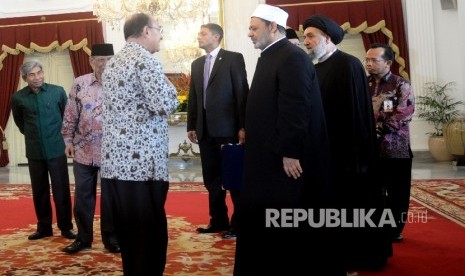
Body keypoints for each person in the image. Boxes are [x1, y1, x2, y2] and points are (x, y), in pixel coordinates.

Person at [234, 4, 339, 275]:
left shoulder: (291, 57)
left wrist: (290, 151)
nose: (249, 34)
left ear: (272, 27)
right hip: (266, 156)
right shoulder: (272, 55)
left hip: (282, 160)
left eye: (254, 28)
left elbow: (296, 108)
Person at [303, 15, 392, 270]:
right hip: (322, 151)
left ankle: (357, 255)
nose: (306, 41)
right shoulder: (314, 66)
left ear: (328, 38)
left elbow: (355, 116)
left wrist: (353, 156)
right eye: (305, 36)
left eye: (311, 36)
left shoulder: (349, 65)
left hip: (347, 153)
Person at [100, 13, 178, 275]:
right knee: (150, 233)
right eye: (159, 29)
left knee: (130, 232)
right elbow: (166, 104)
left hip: (117, 163)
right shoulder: (145, 60)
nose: (161, 35)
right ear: (146, 31)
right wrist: (171, 88)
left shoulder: (114, 62)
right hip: (143, 164)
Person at [187, 23, 249, 239]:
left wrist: (243, 126)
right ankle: (218, 220)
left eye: (203, 33)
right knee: (212, 180)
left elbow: (242, 92)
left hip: (228, 130)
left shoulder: (233, 58)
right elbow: (194, 97)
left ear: (216, 36)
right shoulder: (196, 64)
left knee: (233, 180)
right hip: (205, 132)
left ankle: (239, 224)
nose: (199, 36)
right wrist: (192, 125)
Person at [61, 43, 120, 254]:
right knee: (83, 197)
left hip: (113, 151)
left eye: (109, 59)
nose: (105, 64)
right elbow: (70, 114)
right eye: (100, 60)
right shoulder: (80, 84)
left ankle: (111, 239)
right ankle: (83, 238)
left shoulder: (123, 83)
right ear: (91, 61)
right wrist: (67, 140)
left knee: (111, 197)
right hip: (83, 150)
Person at [11, 60, 76, 241]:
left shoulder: (57, 92)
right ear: (25, 78)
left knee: (61, 190)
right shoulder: (18, 98)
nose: (37, 77)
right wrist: (34, 135)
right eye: (32, 74)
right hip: (35, 151)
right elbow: (20, 123)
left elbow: (66, 118)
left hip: (56, 149)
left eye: (39, 73)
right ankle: (44, 227)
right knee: (39, 191)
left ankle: (66, 227)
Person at [365, 43, 415, 242]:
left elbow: (405, 112)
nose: (368, 63)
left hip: (396, 149)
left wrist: (379, 129)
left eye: (374, 60)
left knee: (397, 193)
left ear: (388, 63)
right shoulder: (362, 84)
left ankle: (394, 230)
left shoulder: (401, 84)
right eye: (367, 59)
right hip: (369, 149)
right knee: (373, 191)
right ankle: (375, 228)